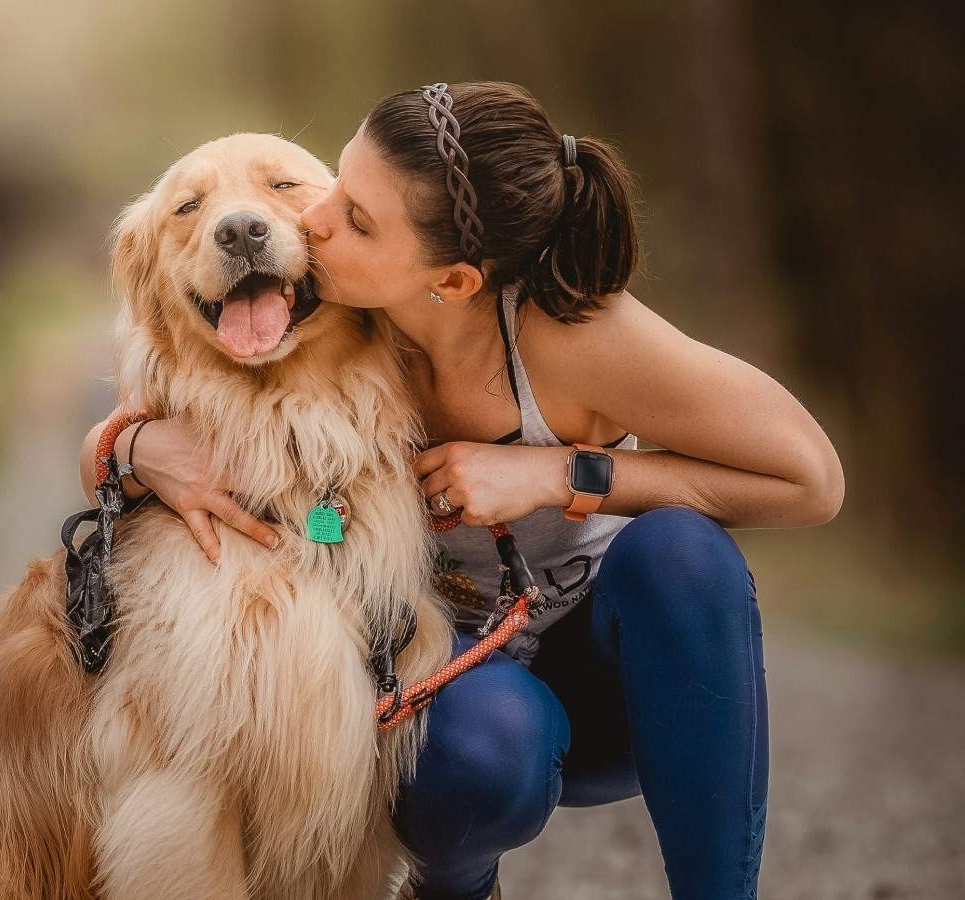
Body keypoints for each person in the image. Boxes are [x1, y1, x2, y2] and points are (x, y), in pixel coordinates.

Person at [79, 81, 844, 900]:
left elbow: (810, 480)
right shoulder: (331, 342)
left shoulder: (571, 333)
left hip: (617, 686)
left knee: (684, 551)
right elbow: (162, 420)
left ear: (452, 280)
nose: (316, 220)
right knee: (481, 750)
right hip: (461, 715)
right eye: (337, 182)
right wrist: (128, 446)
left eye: (359, 220)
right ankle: (455, 892)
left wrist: (558, 473)